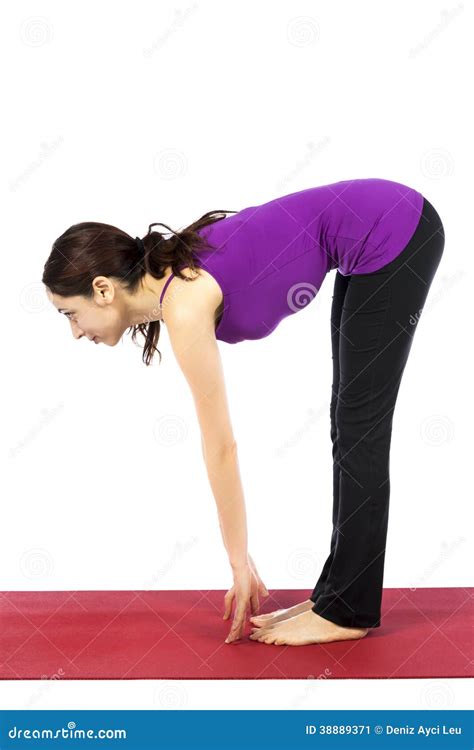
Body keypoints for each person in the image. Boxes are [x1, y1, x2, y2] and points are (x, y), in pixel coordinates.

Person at [42, 178, 445, 646]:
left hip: (396, 228)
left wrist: (238, 561)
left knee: (360, 426)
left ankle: (349, 611)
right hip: (376, 231)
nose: (74, 332)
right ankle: (335, 597)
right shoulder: (173, 281)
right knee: (350, 423)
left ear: (103, 289)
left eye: (70, 313)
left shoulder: (185, 305)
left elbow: (221, 447)